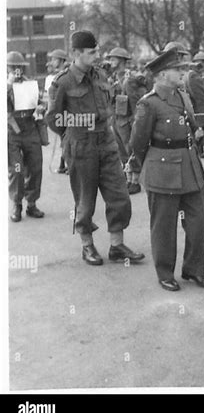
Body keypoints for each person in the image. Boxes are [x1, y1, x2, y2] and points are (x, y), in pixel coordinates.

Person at [46, 30, 144, 266]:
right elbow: (54, 119)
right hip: (81, 146)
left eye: (97, 50)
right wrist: (74, 136)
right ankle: (87, 246)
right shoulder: (63, 82)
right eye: (92, 52)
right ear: (76, 53)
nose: (98, 55)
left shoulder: (100, 75)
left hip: (106, 142)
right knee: (85, 200)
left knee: (119, 195)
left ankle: (117, 245)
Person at [130, 48, 204, 292]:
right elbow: (138, 142)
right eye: (178, 69)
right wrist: (148, 167)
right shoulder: (149, 104)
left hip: (190, 167)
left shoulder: (183, 96)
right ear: (162, 74)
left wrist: (198, 134)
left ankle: (194, 269)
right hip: (162, 172)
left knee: (198, 223)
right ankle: (165, 272)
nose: (182, 72)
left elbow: (191, 124)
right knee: (164, 227)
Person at [7, 51, 45, 222]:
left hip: (30, 127)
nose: (16, 70)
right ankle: (17, 204)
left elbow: (41, 101)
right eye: (12, 67)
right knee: (17, 170)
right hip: (12, 131)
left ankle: (31, 203)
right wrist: (8, 84)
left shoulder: (30, 84)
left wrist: (41, 107)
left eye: (19, 67)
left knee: (35, 167)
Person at [106, 47, 148, 194]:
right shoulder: (113, 79)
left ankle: (135, 180)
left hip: (127, 121)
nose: (110, 61)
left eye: (114, 58)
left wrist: (136, 122)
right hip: (116, 120)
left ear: (122, 60)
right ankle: (128, 178)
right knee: (121, 151)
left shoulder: (129, 80)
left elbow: (137, 104)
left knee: (131, 150)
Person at [45, 49, 69, 174]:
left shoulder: (66, 75)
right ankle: (63, 164)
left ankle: (66, 165)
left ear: (61, 60)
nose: (52, 62)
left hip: (65, 111)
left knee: (66, 138)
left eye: (55, 59)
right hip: (56, 112)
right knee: (63, 138)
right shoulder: (53, 76)